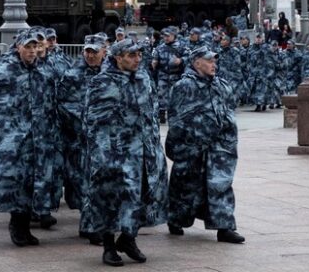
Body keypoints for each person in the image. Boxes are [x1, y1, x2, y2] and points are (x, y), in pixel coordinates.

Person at [80, 38, 168, 267]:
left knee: (143, 196)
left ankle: (129, 238)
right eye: (132, 55)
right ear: (118, 58)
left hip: (145, 151)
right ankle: (109, 247)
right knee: (111, 198)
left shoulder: (144, 79)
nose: (137, 59)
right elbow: (92, 122)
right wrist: (102, 155)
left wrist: (155, 147)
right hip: (115, 153)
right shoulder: (103, 82)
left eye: (139, 55)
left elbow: (152, 114)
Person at [0, 31, 62, 246]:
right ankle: (17, 225)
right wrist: (5, 130)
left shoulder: (44, 69)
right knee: (17, 181)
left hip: (40, 136)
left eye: (35, 47)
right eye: (28, 47)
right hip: (15, 137)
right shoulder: (6, 70)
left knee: (34, 181)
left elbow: (52, 99)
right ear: (18, 47)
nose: (33, 51)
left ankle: (26, 225)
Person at [165, 45, 245, 244]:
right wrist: (178, 146)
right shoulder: (184, 86)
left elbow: (229, 109)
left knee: (221, 184)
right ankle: (175, 219)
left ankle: (224, 227)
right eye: (209, 61)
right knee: (185, 185)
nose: (213, 64)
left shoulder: (221, 84)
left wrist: (228, 136)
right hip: (192, 146)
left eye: (214, 60)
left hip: (219, 147)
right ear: (196, 63)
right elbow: (175, 118)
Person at [56, 34, 106, 245]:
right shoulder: (72, 75)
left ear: (104, 51)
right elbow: (63, 104)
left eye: (95, 51)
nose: (91, 55)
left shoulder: (110, 74)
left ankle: (93, 224)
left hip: (104, 141)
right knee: (85, 184)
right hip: (80, 139)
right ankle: (90, 226)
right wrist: (85, 121)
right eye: (88, 51)